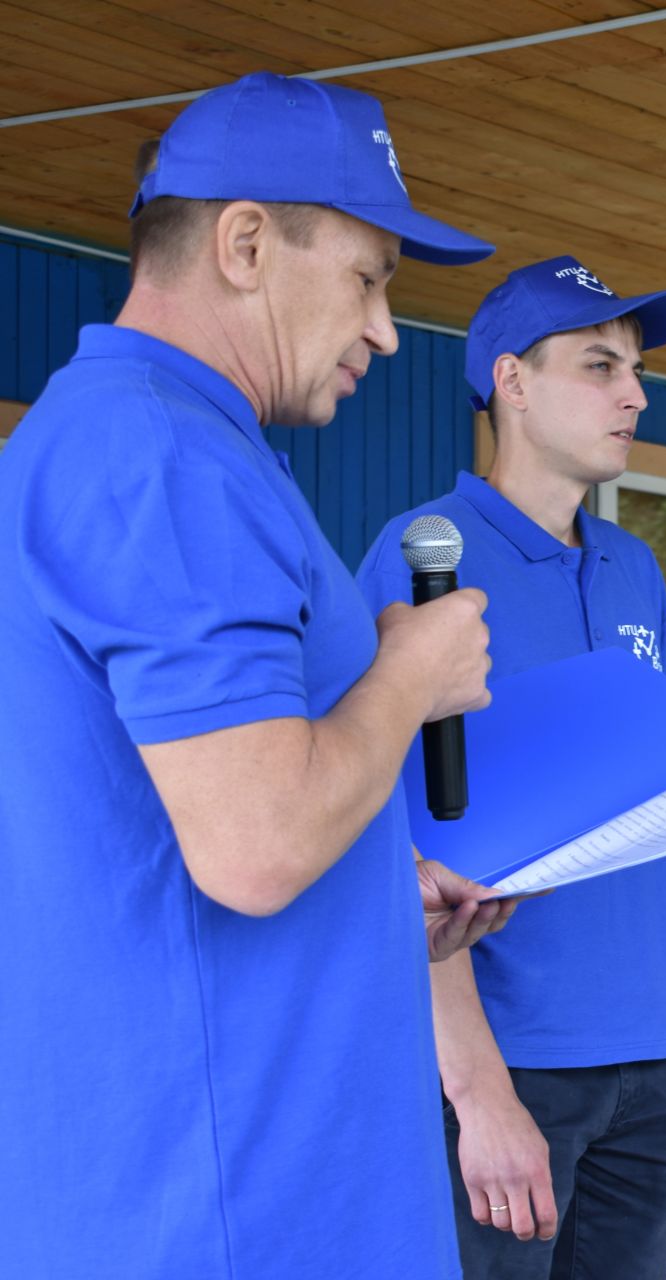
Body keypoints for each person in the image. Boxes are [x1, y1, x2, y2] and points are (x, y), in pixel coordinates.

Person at [0, 72, 506, 1277]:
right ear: (243, 243)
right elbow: (257, 842)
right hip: (229, 1209)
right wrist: (407, 673)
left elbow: (166, 826)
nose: (386, 328)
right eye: (369, 276)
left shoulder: (145, 436)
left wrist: (378, 884)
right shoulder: (158, 453)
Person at [357, 256, 666, 1277]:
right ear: (511, 382)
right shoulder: (419, 556)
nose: (636, 393)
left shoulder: (632, 568)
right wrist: (477, 1088)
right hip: (512, 1064)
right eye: (599, 364)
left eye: (635, 368)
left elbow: (663, 823)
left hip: (650, 1063)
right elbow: (386, 840)